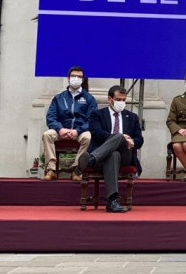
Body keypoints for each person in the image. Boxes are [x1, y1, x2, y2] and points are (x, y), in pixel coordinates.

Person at [75, 85, 144, 213]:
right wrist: (119, 137)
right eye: (118, 99)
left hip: (126, 155)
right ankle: (112, 201)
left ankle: (90, 159)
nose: (121, 103)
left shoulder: (132, 117)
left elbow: (140, 139)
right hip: (105, 155)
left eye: (124, 100)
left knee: (120, 141)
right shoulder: (97, 114)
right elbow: (96, 133)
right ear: (109, 99)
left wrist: (131, 142)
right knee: (113, 154)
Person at [41, 66, 97, 181]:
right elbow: (51, 117)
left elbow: (92, 120)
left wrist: (78, 131)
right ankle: (51, 170)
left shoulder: (89, 98)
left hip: (80, 131)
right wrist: (60, 129)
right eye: (73, 76)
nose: (76, 79)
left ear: (83, 79)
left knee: (88, 137)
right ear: (68, 78)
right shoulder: (59, 97)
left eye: (79, 77)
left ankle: (77, 170)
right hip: (61, 130)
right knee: (47, 135)